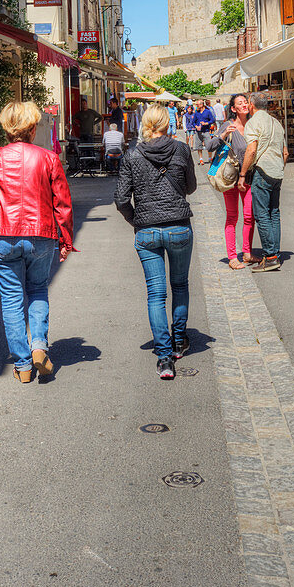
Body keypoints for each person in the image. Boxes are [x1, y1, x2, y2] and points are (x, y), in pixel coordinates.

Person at [0, 101, 74, 382]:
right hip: (41, 236)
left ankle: (23, 365)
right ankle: (39, 346)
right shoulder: (49, 158)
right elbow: (62, 204)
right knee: (38, 290)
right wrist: (65, 240)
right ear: (31, 128)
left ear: (7, 128)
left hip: (5, 236)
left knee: (12, 300)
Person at [114, 103, 197, 380]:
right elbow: (191, 187)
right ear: (168, 123)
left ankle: (164, 358)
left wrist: (135, 219)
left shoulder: (132, 155)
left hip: (147, 231)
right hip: (178, 227)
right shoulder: (182, 149)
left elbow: (121, 199)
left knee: (156, 294)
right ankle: (179, 341)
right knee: (180, 285)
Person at [239, 91, 288, 272]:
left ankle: (270, 256)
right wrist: (280, 168)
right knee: (274, 213)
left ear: (251, 104)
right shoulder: (276, 123)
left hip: (263, 170)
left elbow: (251, 151)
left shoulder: (254, 122)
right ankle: (275, 252)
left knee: (261, 215)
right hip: (277, 172)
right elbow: (285, 153)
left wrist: (243, 174)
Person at [205, 93, 256, 269]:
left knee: (250, 216)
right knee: (232, 217)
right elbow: (209, 147)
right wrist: (224, 134)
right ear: (233, 109)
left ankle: (247, 253)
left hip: (248, 178)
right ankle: (233, 257)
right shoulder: (228, 125)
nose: (244, 105)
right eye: (240, 103)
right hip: (231, 179)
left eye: (245, 102)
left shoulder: (253, 125)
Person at [192, 98, 216, 165]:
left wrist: (206, 123)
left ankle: (210, 158)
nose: (196, 106)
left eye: (197, 104)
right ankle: (201, 159)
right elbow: (193, 122)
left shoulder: (207, 112)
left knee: (209, 145)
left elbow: (212, 120)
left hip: (206, 131)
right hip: (198, 132)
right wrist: (196, 126)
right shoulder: (196, 113)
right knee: (199, 146)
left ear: (202, 105)